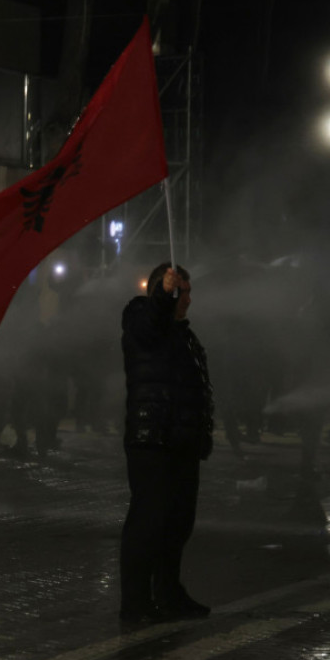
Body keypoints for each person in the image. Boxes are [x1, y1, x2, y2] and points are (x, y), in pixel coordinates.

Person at [119, 262, 214, 623]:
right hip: (152, 438)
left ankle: (169, 593)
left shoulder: (183, 334)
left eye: (188, 292)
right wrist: (162, 296)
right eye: (181, 291)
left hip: (181, 441)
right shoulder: (140, 315)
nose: (187, 299)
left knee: (178, 522)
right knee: (148, 522)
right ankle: (135, 604)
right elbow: (150, 326)